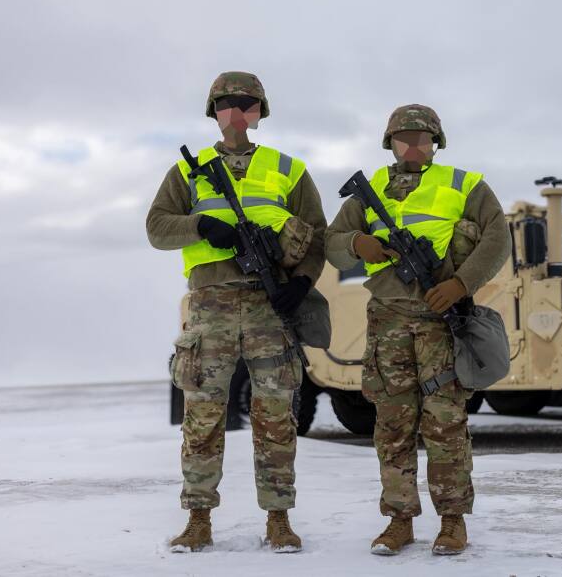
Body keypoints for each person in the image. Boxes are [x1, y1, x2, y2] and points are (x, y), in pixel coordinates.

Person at [146, 71, 326, 553]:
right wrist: (203, 225)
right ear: (215, 112)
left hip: (271, 305)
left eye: (247, 104)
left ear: (259, 113)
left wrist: (302, 283)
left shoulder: (288, 169)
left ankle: (279, 519)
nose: (237, 112)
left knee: (276, 416)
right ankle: (198, 519)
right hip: (212, 304)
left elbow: (317, 235)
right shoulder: (189, 170)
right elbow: (157, 227)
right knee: (202, 416)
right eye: (227, 104)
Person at [325, 104, 511, 555]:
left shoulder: (464, 185)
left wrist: (460, 283)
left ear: (436, 143)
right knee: (391, 425)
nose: (413, 145)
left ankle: (452, 522)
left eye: (422, 138)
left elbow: (497, 236)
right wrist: (358, 243)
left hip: (441, 321)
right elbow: (331, 245)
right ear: (390, 143)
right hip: (387, 320)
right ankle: (399, 521)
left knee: (445, 423)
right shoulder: (367, 194)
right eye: (404, 138)